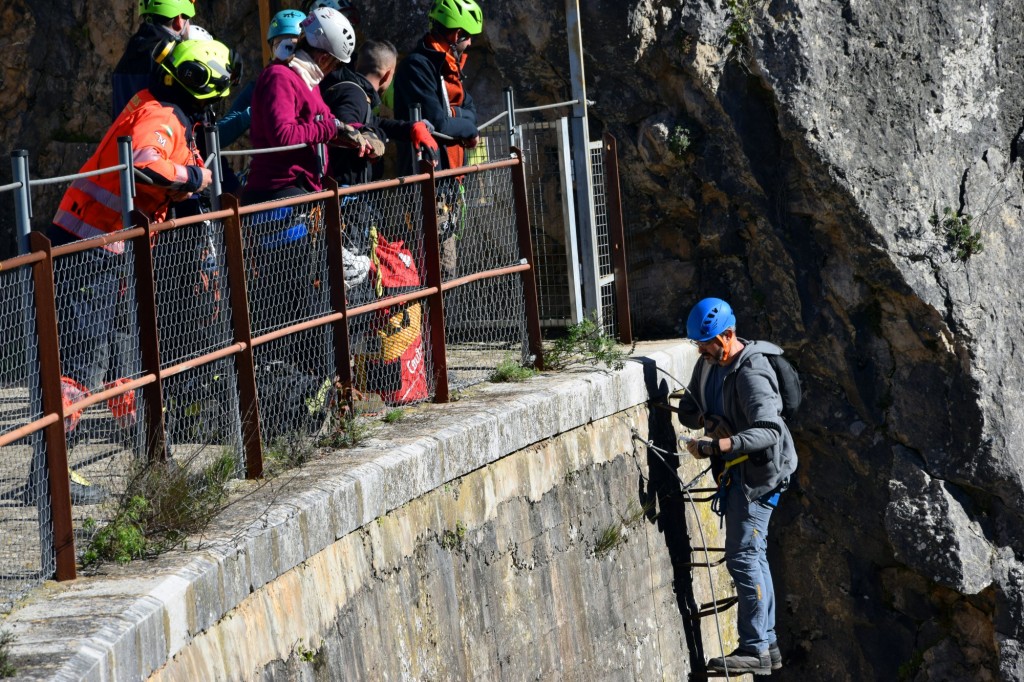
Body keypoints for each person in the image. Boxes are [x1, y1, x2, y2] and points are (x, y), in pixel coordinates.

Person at [50, 39, 236, 503]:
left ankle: (155, 462)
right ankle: (49, 477)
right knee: (81, 364)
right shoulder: (164, 117)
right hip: (91, 247)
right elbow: (145, 166)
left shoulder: (164, 112)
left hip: (111, 247)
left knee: (126, 362)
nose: (215, 108)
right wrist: (195, 179)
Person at [676, 297, 798, 675]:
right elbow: (687, 410)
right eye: (698, 344)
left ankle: (754, 647)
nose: (702, 350)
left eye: (707, 343)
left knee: (744, 556)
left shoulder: (751, 373)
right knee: (753, 555)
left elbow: (770, 430)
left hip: (760, 478)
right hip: (738, 472)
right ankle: (769, 645)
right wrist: (711, 420)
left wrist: (719, 444)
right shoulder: (709, 365)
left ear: (727, 335)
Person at [321, 39, 439, 187]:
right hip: (345, 194)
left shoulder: (354, 91)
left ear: (357, 64)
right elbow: (348, 124)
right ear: (387, 74)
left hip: (346, 190)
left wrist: (411, 128)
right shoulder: (354, 94)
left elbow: (374, 122)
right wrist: (370, 134)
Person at [392, 0, 482, 176]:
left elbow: (471, 110)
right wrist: (470, 130)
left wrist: (454, 115)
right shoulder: (417, 67)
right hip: (425, 177)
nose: (470, 43)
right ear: (457, 35)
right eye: (470, 36)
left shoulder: (449, 67)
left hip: (449, 173)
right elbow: (439, 123)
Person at [111, 0, 196, 119]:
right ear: (179, 21)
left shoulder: (130, 52)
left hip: (124, 134)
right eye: (188, 20)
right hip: (162, 135)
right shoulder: (173, 58)